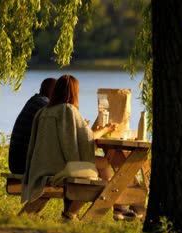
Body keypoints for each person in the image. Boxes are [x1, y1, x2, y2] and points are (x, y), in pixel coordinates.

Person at [20, 74, 138, 221]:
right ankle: (71, 214)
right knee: (102, 179)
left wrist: (82, 129)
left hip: (43, 165)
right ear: (74, 92)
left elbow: (65, 137)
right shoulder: (68, 110)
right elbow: (87, 138)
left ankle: (118, 207)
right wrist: (106, 129)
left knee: (101, 165)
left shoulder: (43, 112)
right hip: (61, 166)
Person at [9, 78, 57, 174]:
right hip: (24, 164)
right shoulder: (43, 105)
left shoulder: (35, 100)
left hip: (15, 161)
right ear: (53, 91)